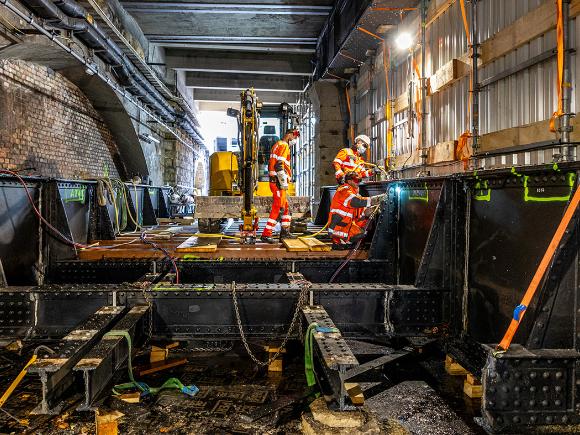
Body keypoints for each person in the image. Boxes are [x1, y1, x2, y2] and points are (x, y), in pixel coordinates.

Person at [261, 129, 299, 243]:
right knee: (278, 207)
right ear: (289, 135)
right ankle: (266, 234)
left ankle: (285, 232)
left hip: (275, 181)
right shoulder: (284, 145)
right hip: (278, 182)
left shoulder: (276, 145)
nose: (295, 140)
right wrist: (283, 183)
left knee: (286, 207)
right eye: (295, 137)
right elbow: (279, 166)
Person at [328, 171, 374, 248]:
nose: (358, 183)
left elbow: (359, 211)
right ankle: (340, 242)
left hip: (346, 225)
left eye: (359, 180)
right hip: (338, 226)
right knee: (356, 235)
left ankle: (347, 242)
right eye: (356, 181)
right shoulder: (344, 190)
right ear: (349, 181)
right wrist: (376, 200)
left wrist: (368, 212)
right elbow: (355, 202)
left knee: (362, 233)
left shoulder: (354, 193)